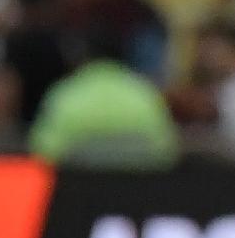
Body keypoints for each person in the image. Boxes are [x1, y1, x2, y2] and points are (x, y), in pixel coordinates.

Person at [29, 34, 179, 169]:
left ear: (83, 57)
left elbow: (42, 153)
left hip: (75, 195)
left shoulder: (66, 95)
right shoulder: (145, 94)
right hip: (138, 195)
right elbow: (166, 152)